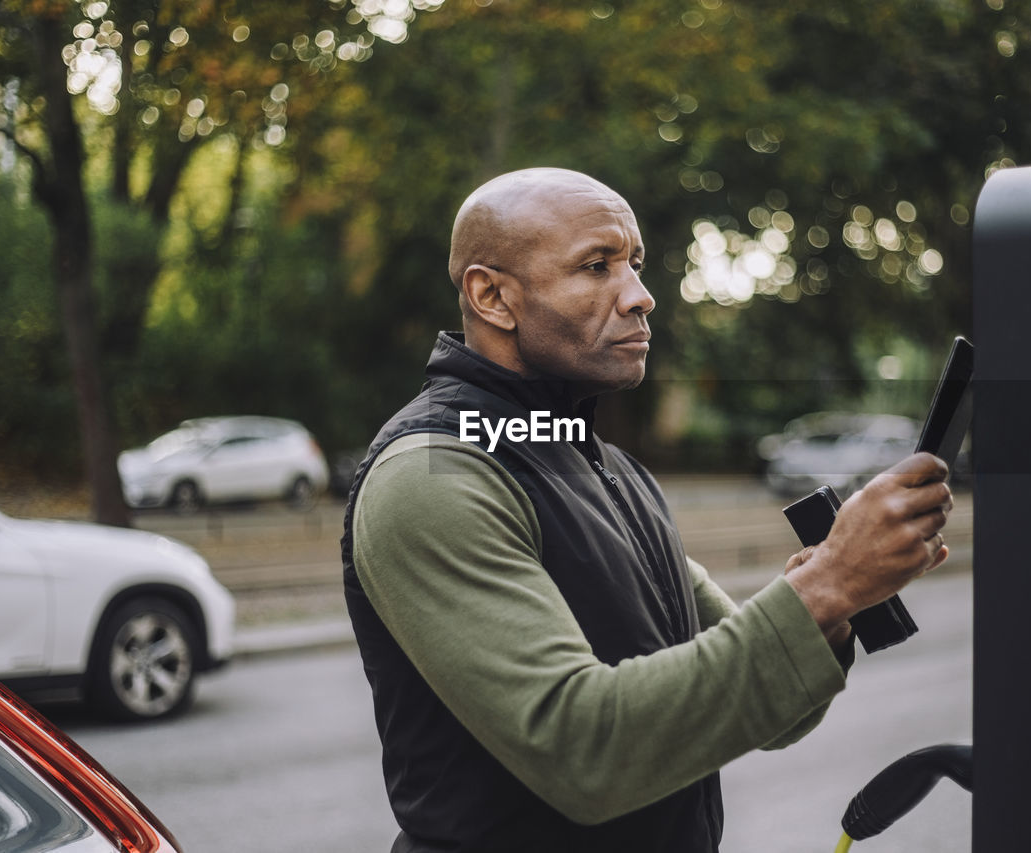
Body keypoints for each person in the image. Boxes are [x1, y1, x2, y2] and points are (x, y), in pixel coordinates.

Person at [341, 167, 952, 853]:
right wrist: (828, 582)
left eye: (634, 264)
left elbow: (771, 711)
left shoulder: (605, 466)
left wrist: (843, 594)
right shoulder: (433, 475)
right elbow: (585, 752)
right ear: (492, 296)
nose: (640, 296)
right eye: (596, 266)